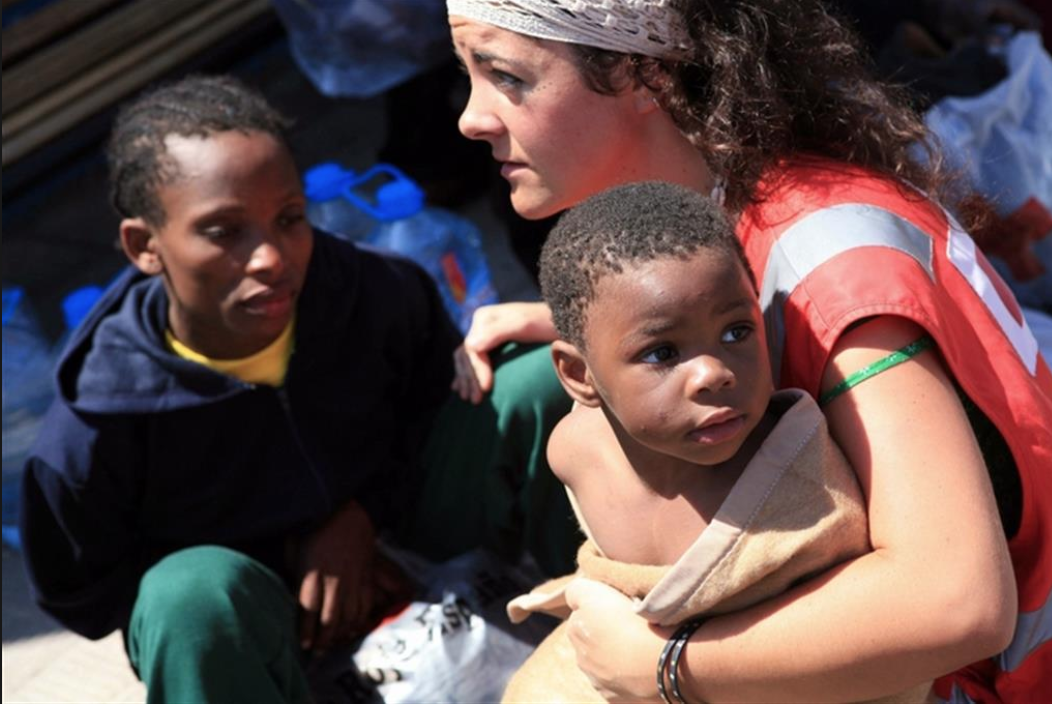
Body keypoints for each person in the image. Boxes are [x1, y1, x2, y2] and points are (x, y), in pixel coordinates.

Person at [445, 0, 1052, 702]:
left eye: (507, 77)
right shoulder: (744, 193)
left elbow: (959, 603)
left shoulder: (831, 268)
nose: (471, 118)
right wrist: (608, 331)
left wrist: (667, 667)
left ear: (645, 75)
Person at [17, 74, 575, 703]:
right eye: (224, 231)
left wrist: (363, 516)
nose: (271, 258)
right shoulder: (96, 423)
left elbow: (433, 415)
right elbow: (85, 593)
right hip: (262, 616)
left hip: (409, 535)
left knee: (535, 379)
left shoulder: (373, 290)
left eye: (288, 218)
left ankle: (620, 636)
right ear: (145, 246)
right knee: (189, 597)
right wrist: (278, 565)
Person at [500, 181, 931, 703]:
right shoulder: (575, 450)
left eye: (735, 332)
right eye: (662, 353)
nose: (713, 373)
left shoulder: (802, 494)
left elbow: (877, 641)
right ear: (578, 375)